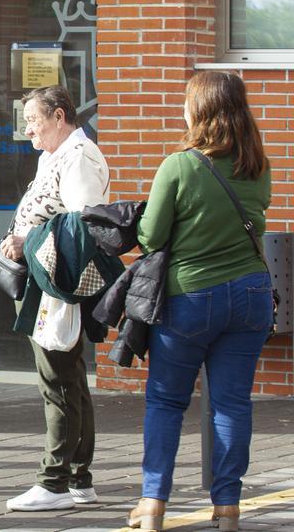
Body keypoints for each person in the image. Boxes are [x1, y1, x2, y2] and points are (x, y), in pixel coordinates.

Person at [127, 71, 272, 532]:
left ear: (200, 109)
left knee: (167, 402)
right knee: (233, 404)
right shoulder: (257, 164)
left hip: (190, 295)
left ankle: (153, 504)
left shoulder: (180, 164)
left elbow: (150, 235)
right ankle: (227, 506)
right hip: (250, 294)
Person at [0, 85, 109, 512]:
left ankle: (55, 481)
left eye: (33, 121)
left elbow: (84, 227)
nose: (28, 130)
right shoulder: (55, 155)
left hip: (55, 283)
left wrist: (26, 238)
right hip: (43, 278)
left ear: (60, 116)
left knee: (58, 380)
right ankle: (78, 478)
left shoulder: (79, 156)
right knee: (68, 377)